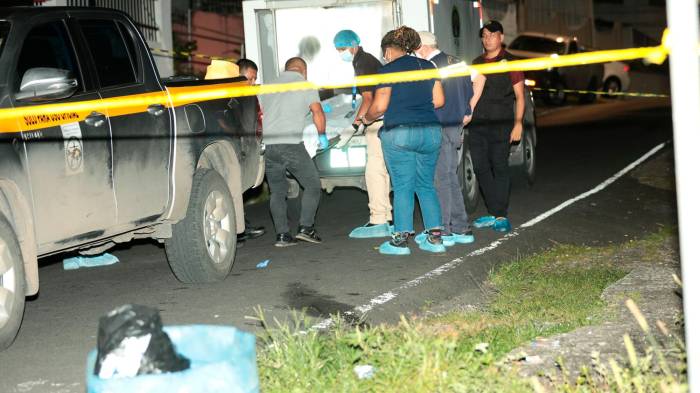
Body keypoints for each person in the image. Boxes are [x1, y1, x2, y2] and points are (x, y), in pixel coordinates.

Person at [361, 26, 446, 255]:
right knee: (426, 185)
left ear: (388, 50)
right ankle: (435, 237)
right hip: (430, 131)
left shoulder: (388, 70)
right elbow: (438, 101)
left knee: (403, 186)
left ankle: (400, 240)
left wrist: (366, 118)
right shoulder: (428, 66)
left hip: (400, 132)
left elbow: (379, 106)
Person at [416, 31, 484, 246]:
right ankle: (461, 227)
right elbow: (481, 77)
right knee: (450, 176)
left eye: (415, 50)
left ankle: (444, 229)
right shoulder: (456, 61)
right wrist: (469, 109)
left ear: (423, 47)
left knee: (442, 179)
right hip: (456, 125)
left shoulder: (431, 65)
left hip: (440, 125)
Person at [258, 57, 328, 247]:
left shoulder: (267, 86)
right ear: (303, 71)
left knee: (277, 192)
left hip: (270, 146)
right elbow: (317, 112)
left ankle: (282, 235)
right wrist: (322, 135)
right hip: (291, 145)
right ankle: (306, 228)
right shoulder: (305, 84)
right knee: (313, 185)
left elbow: (261, 113)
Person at [333, 30, 393, 238]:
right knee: (382, 169)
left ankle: (378, 219)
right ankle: (386, 216)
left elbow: (368, 98)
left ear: (353, 45)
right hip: (385, 119)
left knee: (374, 170)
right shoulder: (365, 60)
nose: (341, 53)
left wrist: (355, 124)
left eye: (342, 49)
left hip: (377, 121)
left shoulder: (363, 63)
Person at [469, 20, 525, 233]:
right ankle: (494, 211)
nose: (487, 38)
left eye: (492, 35)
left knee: (499, 165)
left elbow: (520, 97)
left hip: (502, 123)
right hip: (478, 123)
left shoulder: (511, 62)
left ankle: (501, 214)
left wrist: (518, 123)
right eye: (484, 35)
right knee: (480, 167)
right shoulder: (476, 62)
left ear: (501, 37)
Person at [233, 58, 266, 245]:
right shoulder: (230, 95)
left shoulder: (247, 94)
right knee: (234, 189)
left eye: (254, 79)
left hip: (248, 144)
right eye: (250, 78)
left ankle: (242, 227)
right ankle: (238, 232)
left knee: (240, 189)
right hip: (237, 146)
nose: (253, 83)